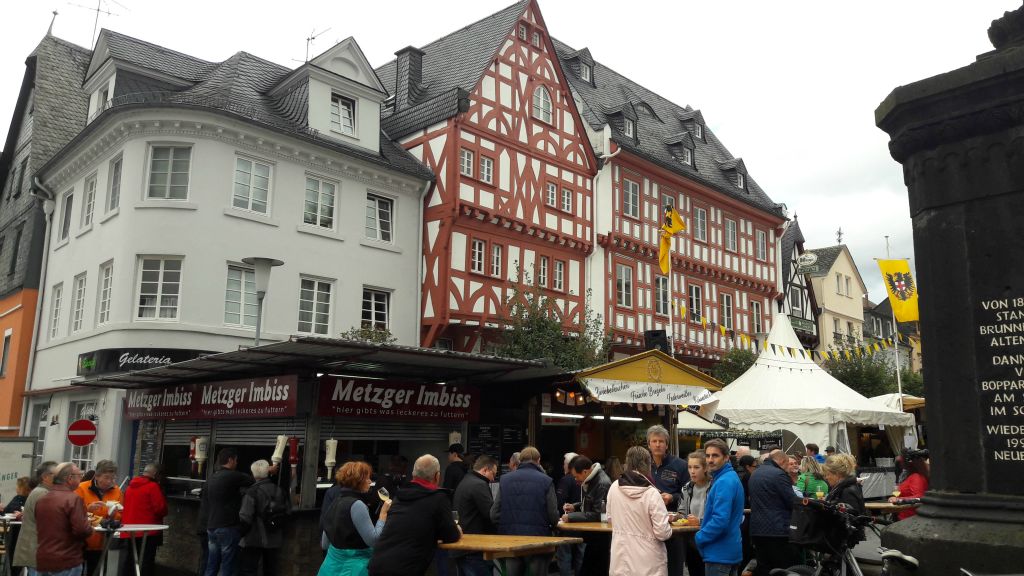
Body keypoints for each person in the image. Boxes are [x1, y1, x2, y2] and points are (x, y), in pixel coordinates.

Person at [368, 454, 460, 576]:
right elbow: (451, 536)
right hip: (406, 568)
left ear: (413, 474)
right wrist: (456, 529)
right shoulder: (438, 498)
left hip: (377, 565)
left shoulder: (398, 496)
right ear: (437, 476)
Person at [490, 446, 559, 576]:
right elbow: (553, 515)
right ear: (538, 460)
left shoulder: (505, 480)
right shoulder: (546, 481)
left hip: (510, 539)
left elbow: (494, 514)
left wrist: (507, 524)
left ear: (520, 460)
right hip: (538, 540)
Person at [607, 445, 672, 576]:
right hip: (649, 562)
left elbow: (610, 519)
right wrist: (667, 520)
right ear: (648, 464)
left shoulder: (614, 487)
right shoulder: (652, 493)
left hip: (620, 558)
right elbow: (662, 533)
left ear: (627, 463)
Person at [319, 461, 391, 576]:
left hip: (329, 569)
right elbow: (373, 540)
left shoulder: (335, 502)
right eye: (367, 478)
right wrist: (383, 515)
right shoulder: (357, 505)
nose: (370, 481)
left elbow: (324, 544)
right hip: (353, 570)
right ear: (358, 481)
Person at [695, 438, 745, 576]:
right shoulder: (728, 477)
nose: (710, 460)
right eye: (708, 455)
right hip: (727, 551)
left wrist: (700, 537)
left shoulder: (724, 481)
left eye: (715, 455)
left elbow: (720, 520)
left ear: (726, 457)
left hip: (720, 554)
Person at [205, 447, 257, 576]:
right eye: (236, 460)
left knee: (212, 564)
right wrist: (269, 470)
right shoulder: (233, 475)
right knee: (227, 566)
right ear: (230, 460)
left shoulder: (212, 477)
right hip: (227, 527)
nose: (237, 463)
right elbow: (252, 480)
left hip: (211, 526)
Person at [35, 462, 93, 576]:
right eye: (79, 475)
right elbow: (81, 529)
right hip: (67, 559)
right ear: (70, 478)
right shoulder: (73, 499)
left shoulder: (42, 499)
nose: (81, 478)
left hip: (43, 558)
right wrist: (90, 529)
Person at [748, 450, 800, 576]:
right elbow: (792, 501)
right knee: (784, 569)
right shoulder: (779, 475)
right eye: (788, 464)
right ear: (783, 461)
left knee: (764, 568)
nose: (788, 468)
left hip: (757, 530)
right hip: (778, 531)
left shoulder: (755, 473)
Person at [647, 425, 688, 575]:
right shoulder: (644, 466)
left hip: (673, 526)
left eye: (661, 441)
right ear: (648, 444)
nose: (658, 444)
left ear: (667, 444)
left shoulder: (680, 465)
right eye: (654, 441)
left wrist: (672, 497)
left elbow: (688, 494)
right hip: (648, 524)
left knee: (674, 567)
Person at [239, 460, 289, 576]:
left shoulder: (252, 492)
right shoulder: (280, 490)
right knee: (270, 570)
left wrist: (239, 535)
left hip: (253, 539)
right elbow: (287, 511)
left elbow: (245, 517)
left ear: (253, 473)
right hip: (274, 538)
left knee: (249, 570)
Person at [75, 459, 124, 575]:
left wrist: (113, 514)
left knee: (97, 572)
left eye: (113, 478)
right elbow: (73, 512)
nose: (110, 481)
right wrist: (87, 508)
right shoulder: (81, 488)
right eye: (107, 478)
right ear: (96, 476)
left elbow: (119, 516)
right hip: (81, 541)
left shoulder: (117, 491)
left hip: (102, 542)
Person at [119, 463, 169, 576]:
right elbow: (160, 509)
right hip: (148, 530)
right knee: (147, 561)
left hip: (130, 530)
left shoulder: (130, 487)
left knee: (131, 560)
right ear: (156, 474)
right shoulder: (153, 487)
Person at [452, 455, 498, 576]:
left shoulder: (466, 480)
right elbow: (490, 514)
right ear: (485, 470)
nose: (493, 479)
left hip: (463, 546)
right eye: (493, 474)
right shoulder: (479, 485)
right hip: (474, 549)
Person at [12, 462, 54, 576]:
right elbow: (49, 522)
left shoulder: (41, 492)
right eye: (56, 474)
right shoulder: (43, 494)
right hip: (37, 549)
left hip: (36, 549)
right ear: (45, 477)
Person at [822, 454, 865, 548]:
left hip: (841, 537)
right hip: (841, 535)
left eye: (828, 474)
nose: (826, 477)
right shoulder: (845, 487)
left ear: (837, 474)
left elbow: (852, 518)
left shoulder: (846, 490)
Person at [680, 451, 711, 576]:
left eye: (696, 467)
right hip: (691, 541)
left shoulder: (714, 486)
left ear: (705, 468)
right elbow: (682, 511)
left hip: (709, 539)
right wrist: (677, 517)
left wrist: (699, 521)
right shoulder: (687, 488)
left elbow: (718, 516)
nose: (692, 471)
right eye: (689, 467)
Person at [555, 452, 582, 576]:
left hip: (567, 524)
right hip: (583, 524)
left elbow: (560, 501)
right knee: (580, 556)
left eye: (565, 464)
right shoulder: (584, 479)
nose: (563, 466)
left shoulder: (566, 480)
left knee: (565, 555)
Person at [889, 451, 929, 520]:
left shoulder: (916, 476)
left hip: (909, 518)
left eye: (902, 462)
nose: (901, 464)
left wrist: (898, 499)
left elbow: (919, 496)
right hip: (905, 516)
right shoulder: (912, 475)